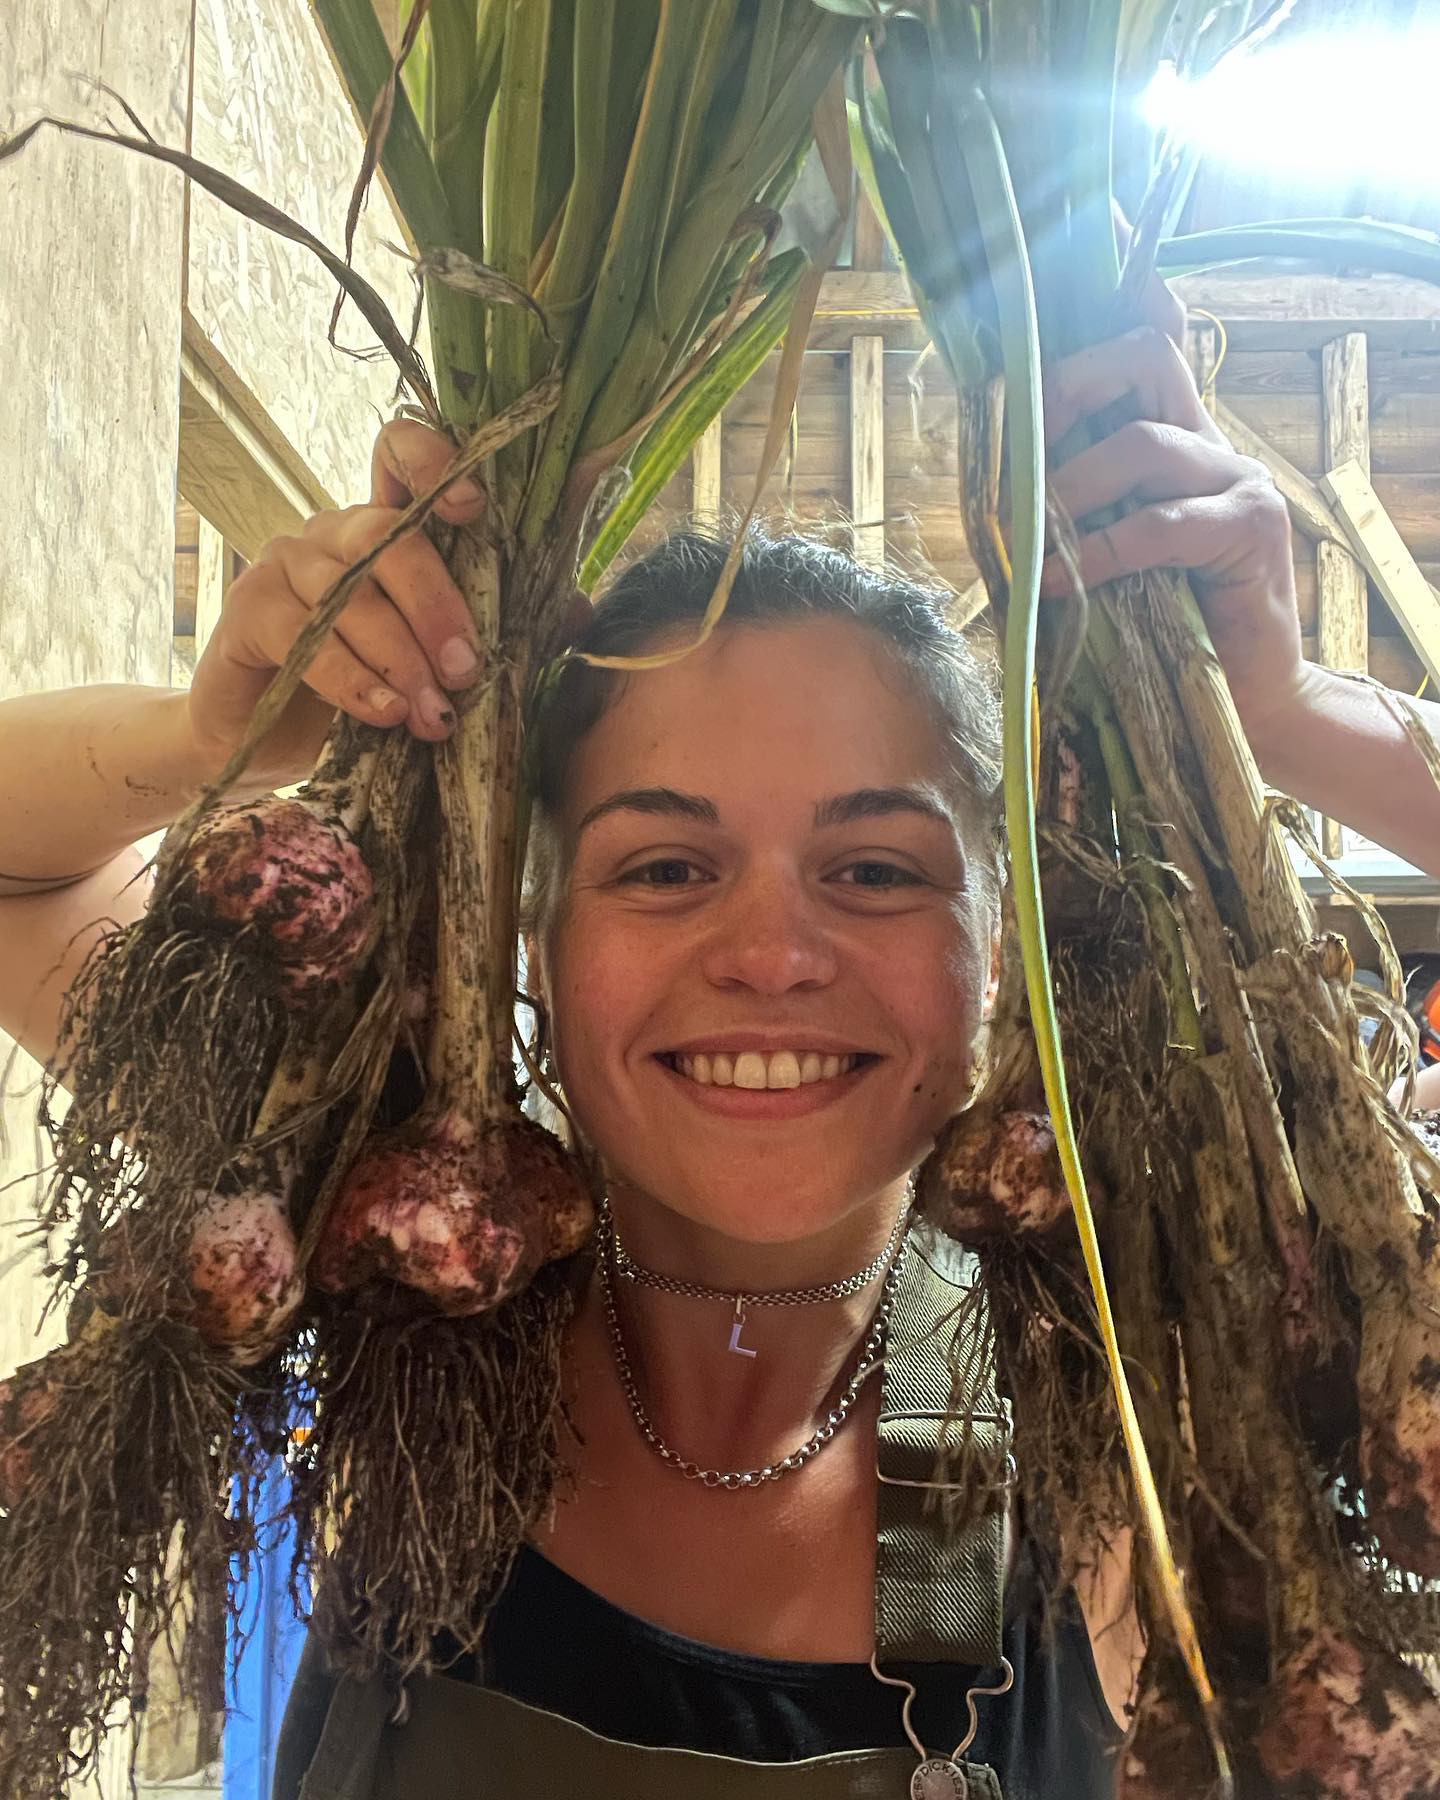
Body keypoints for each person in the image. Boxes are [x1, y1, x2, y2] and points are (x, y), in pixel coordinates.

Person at [2, 308, 1439, 1800]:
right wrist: (218, 736)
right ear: (533, 935)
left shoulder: (1136, 1396)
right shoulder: (404, 1259)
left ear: (993, 952)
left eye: (877, 871)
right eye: (664, 869)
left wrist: (1297, 715)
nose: (770, 953)